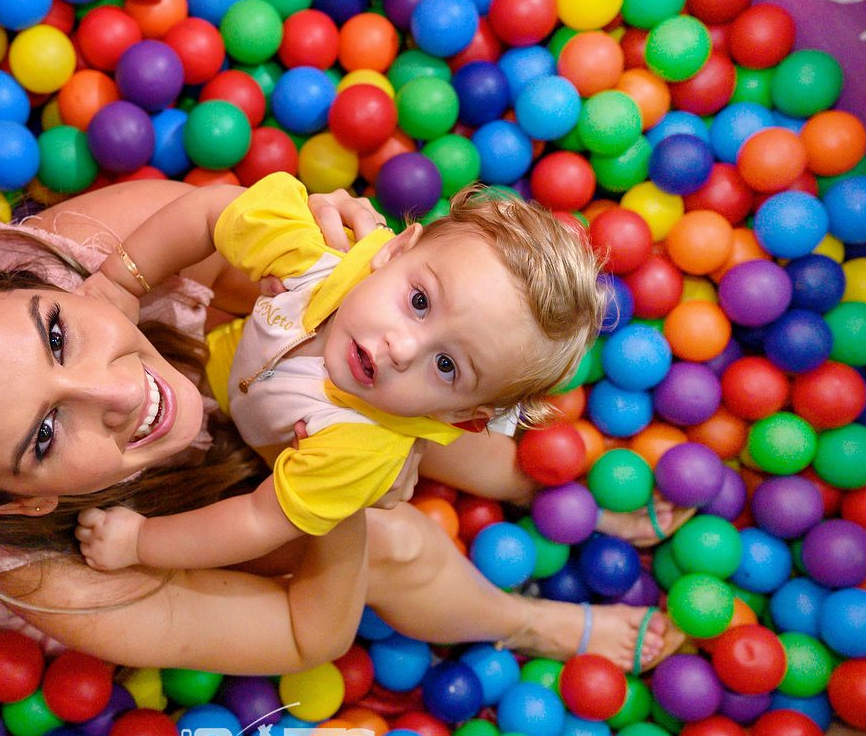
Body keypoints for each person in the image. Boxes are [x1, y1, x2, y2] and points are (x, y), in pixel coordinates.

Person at [0, 179, 682, 676]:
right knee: (397, 539)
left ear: (29, 286)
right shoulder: (52, 578)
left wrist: (335, 272)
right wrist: (340, 501)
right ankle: (524, 620)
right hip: (185, 512)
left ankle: (551, 495)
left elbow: (226, 236)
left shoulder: (98, 256)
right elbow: (307, 638)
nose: (121, 389)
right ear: (17, 499)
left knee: (419, 386)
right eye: (45, 435)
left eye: (56, 335)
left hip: (262, 374)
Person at [73, 173, 605, 574]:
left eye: (446, 364)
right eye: (419, 301)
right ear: (393, 250)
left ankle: (557, 498)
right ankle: (548, 485)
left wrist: (141, 542)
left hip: (309, 443)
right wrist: (122, 281)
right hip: (227, 372)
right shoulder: (319, 256)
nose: (402, 347)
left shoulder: (357, 451)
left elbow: (258, 518)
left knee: (466, 476)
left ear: (460, 410)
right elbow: (213, 211)